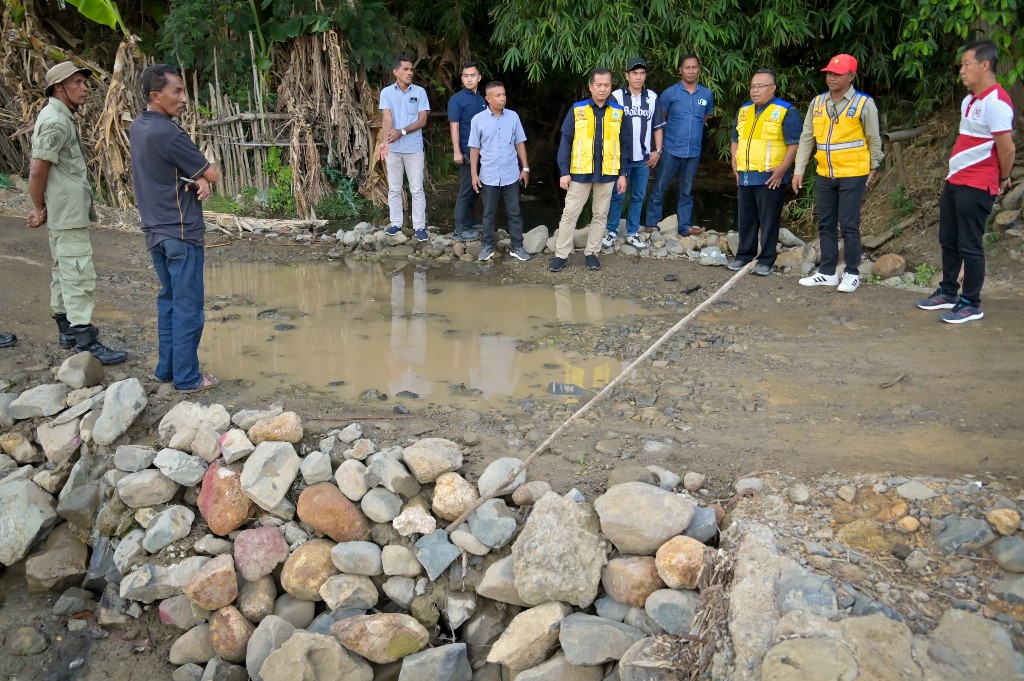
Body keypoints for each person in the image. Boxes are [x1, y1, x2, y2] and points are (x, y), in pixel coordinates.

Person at [27, 61, 128, 364]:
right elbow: (37, 171)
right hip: (66, 212)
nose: (84, 88)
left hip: (64, 210)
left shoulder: (59, 116)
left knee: (63, 270)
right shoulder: (56, 122)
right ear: (59, 88)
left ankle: (66, 331)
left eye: (85, 82)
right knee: (78, 273)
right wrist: (36, 207)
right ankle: (85, 340)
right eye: (77, 83)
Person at [130, 64, 220, 393]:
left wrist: (189, 177)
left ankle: (166, 369)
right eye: (177, 92)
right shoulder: (169, 133)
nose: (184, 98)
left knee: (168, 301)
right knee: (188, 308)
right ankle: (188, 377)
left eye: (184, 91)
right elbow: (213, 174)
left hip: (155, 231)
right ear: (156, 96)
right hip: (181, 232)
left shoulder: (139, 127)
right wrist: (201, 175)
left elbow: (161, 168)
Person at [916, 40, 1015, 323]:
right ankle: (948, 291)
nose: (961, 70)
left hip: (977, 184)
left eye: (966, 64)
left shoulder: (997, 102)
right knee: (949, 239)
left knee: (970, 244)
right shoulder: (969, 100)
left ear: (984, 65)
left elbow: (1007, 149)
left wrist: (1003, 177)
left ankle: (971, 303)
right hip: (955, 181)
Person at [792, 53, 883, 293]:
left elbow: (874, 138)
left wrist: (873, 166)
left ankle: (852, 272)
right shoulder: (818, 103)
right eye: (829, 73)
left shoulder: (864, 104)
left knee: (849, 223)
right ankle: (828, 272)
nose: (831, 77)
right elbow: (806, 138)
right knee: (826, 223)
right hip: (825, 172)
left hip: (853, 172)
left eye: (837, 73)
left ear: (851, 76)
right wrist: (799, 169)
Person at [549, 68, 628, 272]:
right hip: (579, 172)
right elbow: (565, 141)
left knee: (600, 215)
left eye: (607, 85)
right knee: (569, 215)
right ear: (590, 86)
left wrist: (622, 174)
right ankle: (561, 254)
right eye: (598, 85)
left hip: (608, 173)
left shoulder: (618, 112)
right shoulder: (578, 109)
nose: (602, 89)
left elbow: (625, 144)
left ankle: (592, 253)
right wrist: (564, 171)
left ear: (611, 87)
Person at [727, 69, 802, 276]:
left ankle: (766, 260)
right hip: (746, 174)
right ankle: (743, 256)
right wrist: (734, 161)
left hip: (771, 177)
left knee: (769, 219)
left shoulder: (786, 111)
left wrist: (782, 170)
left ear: (773, 88)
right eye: (752, 86)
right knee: (746, 218)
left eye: (760, 86)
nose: (755, 90)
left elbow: (794, 144)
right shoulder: (744, 110)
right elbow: (735, 139)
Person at [643, 54, 714, 237]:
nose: (691, 71)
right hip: (670, 149)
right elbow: (660, 120)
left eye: (694, 67)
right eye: (687, 68)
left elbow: (704, 117)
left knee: (687, 191)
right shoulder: (669, 94)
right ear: (680, 71)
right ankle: (652, 223)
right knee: (659, 187)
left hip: (693, 151)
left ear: (699, 70)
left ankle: (685, 227)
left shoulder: (706, 94)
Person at [602, 57, 661, 251]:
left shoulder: (651, 97)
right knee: (617, 195)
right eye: (634, 73)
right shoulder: (617, 96)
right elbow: (610, 127)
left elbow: (657, 126)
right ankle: (611, 230)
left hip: (644, 157)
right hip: (622, 157)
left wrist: (657, 150)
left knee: (638, 195)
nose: (638, 77)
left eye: (642, 73)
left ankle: (632, 232)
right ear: (627, 75)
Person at [469, 80, 531, 262]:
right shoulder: (478, 120)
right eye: (497, 95)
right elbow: (474, 149)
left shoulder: (513, 117)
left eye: (503, 95)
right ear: (487, 98)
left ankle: (517, 246)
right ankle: (488, 245)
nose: (502, 98)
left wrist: (525, 168)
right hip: (488, 174)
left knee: (515, 212)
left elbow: (520, 142)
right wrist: (474, 174)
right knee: (488, 213)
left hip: (511, 173)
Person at [379, 55, 431, 242]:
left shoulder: (420, 92)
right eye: (406, 69)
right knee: (394, 188)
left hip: (413, 148)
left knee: (416, 189)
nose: (410, 73)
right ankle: (395, 224)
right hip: (393, 148)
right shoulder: (386, 93)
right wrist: (386, 141)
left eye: (411, 70)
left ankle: (419, 227)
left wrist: (401, 131)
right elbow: (386, 118)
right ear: (396, 72)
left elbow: (422, 120)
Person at [448, 61, 487, 242]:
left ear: (479, 77)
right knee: (465, 189)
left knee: (476, 189)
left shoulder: (482, 99)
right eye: (466, 76)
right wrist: (457, 151)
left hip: (483, 153)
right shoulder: (456, 100)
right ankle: (460, 229)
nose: (469, 79)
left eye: (472, 75)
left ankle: (470, 222)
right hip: (465, 152)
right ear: (462, 78)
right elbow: (454, 126)